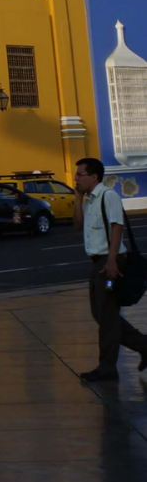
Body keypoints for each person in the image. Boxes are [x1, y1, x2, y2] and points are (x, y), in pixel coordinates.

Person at [73, 157, 147, 382]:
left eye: (80, 174)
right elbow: (77, 225)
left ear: (93, 177)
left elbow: (117, 227)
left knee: (106, 316)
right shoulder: (89, 200)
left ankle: (107, 367)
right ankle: (144, 345)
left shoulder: (108, 196)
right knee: (103, 314)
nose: (76, 178)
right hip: (97, 263)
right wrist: (77, 198)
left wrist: (112, 261)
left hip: (109, 263)